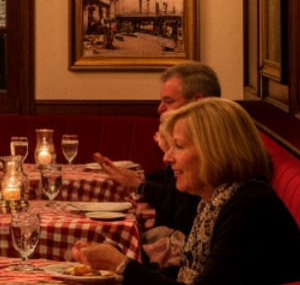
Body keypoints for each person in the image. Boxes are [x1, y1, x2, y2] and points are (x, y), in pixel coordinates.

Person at [75, 98, 300, 285]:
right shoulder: (217, 200)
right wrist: (120, 261)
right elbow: (186, 278)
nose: (167, 158)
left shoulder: (249, 207)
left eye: (178, 146)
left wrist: (121, 266)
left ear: (214, 151)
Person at [93, 60, 220, 233]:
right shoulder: (196, 141)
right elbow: (167, 184)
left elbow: (177, 213)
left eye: (168, 101)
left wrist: (141, 185)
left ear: (197, 100)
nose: (160, 109)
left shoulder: (214, 149)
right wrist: (135, 179)